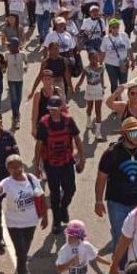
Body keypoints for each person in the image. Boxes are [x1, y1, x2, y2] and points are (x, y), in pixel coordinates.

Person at [96, 118, 137, 250]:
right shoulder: (111, 153)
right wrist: (98, 201)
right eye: (133, 133)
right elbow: (101, 178)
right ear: (125, 134)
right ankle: (120, 266)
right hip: (117, 202)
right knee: (120, 236)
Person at [0, 153, 48, 274]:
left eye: (18, 166)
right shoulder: (7, 183)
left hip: (31, 222)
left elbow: (41, 196)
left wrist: (45, 216)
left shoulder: (31, 178)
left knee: (25, 249)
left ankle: (21, 269)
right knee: (21, 254)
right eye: (12, 167)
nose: (16, 169)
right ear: (8, 169)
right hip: (14, 224)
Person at [34, 95, 85, 234]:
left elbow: (77, 138)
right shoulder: (44, 123)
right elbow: (39, 145)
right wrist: (37, 165)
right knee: (55, 194)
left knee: (70, 189)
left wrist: (82, 158)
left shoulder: (69, 121)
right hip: (51, 164)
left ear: (61, 108)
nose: (53, 112)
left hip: (67, 162)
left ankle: (64, 208)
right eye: (50, 109)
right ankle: (56, 222)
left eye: (55, 109)